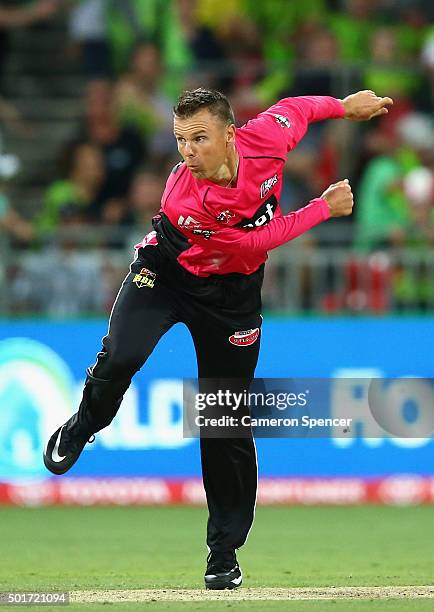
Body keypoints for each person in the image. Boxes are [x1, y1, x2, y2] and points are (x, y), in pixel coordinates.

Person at [43, 87, 392, 589]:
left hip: (233, 297)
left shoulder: (267, 139)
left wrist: (343, 106)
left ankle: (223, 551)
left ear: (230, 135)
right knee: (120, 356)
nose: (188, 151)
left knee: (225, 417)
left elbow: (298, 109)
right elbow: (252, 240)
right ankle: (84, 424)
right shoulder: (183, 195)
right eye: (181, 139)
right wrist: (322, 207)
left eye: (199, 138)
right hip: (166, 275)